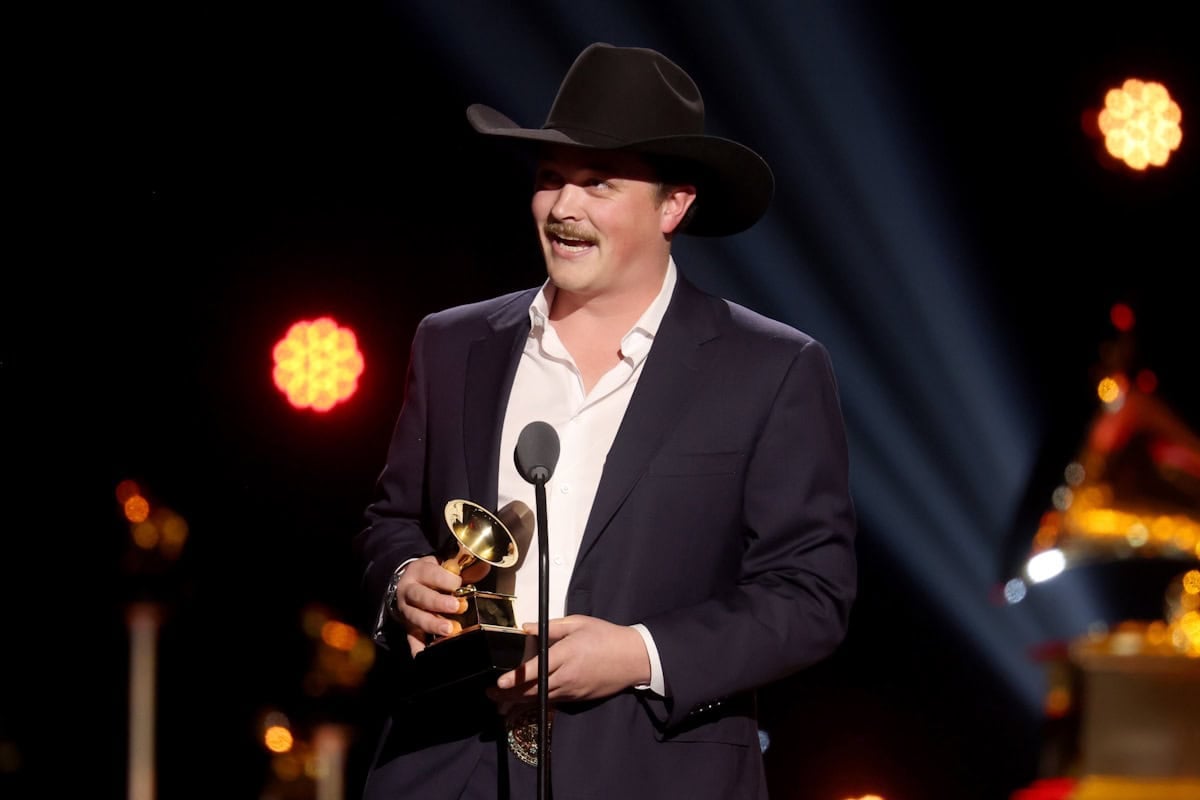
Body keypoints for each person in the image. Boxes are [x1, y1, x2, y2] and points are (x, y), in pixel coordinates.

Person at [352, 41, 857, 800]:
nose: (563, 209)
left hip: (651, 771)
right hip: (449, 769)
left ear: (674, 205)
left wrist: (637, 653)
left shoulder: (771, 370)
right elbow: (389, 519)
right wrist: (402, 583)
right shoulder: (452, 344)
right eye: (551, 180)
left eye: (598, 183)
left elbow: (810, 592)